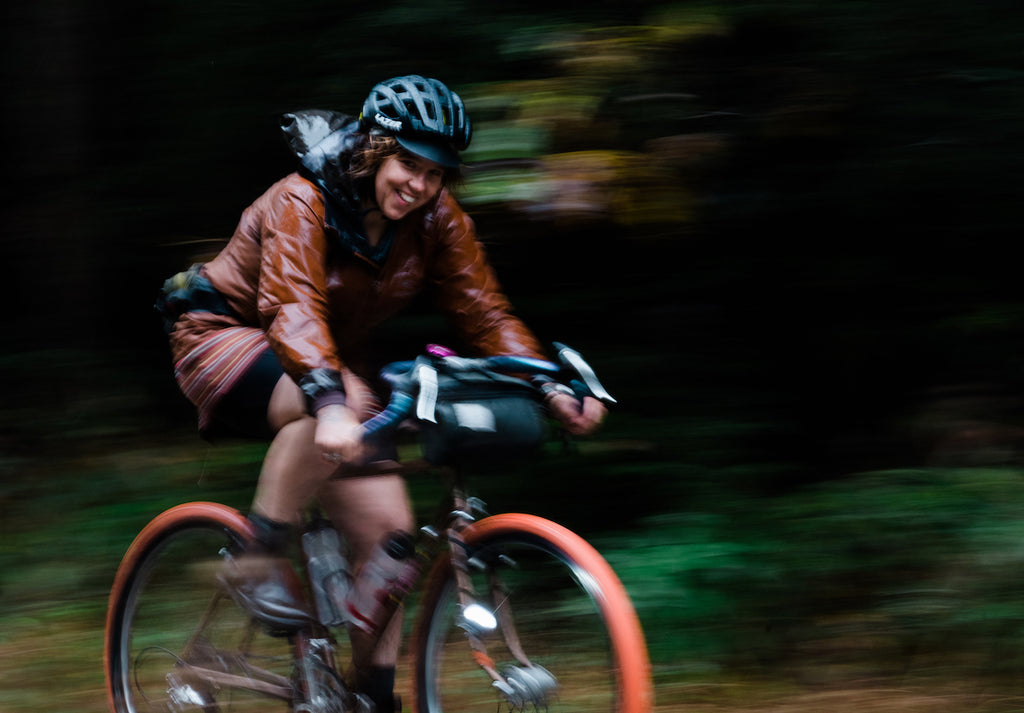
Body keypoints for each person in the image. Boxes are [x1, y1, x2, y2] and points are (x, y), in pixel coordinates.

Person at [164, 75, 606, 713]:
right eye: (407, 163)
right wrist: (332, 402)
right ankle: (255, 555)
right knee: (337, 401)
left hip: (321, 362)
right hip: (223, 337)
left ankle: (372, 696)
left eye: (436, 173)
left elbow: (484, 312)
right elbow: (291, 307)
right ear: (374, 150)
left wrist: (547, 381)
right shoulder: (302, 199)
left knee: (391, 539)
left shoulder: (436, 220)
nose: (419, 185)